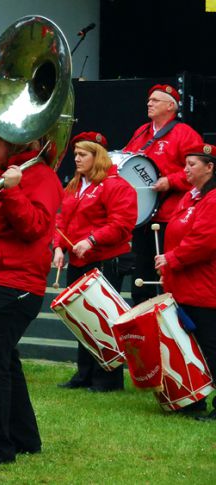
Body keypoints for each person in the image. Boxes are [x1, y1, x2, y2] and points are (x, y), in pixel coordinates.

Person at [0, 120, 63, 468]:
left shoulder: (39, 176)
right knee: (3, 361)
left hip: (11, 284)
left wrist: (13, 190)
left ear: (16, 143)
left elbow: (34, 227)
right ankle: (24, 437)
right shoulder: (9, 171)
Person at [55, 132, 137, 392]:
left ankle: (108, 379)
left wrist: (92, 239)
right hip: (79, 260)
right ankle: (84, 374)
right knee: (81, 318)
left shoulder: (116, 186)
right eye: (75, 154)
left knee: (104, 319)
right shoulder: (75, 185)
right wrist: (58, 248)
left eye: (82, 154)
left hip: (104, 259)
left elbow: (122, 223)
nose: (76, 159)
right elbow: (62, 219)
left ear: (97, 156)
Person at [124, 84, 203, 305]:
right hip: (143, 216)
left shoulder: (185, 133)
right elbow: (127, 160)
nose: (149, 103)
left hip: (169, 216)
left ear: (171, 106)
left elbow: (199, 170)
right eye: (149, 100)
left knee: (165, 275)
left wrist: (171, 181)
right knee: (141, 275)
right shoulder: (142, 131)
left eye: (155, 100)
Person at [155, 143, 216, 421]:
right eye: (185, 164)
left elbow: (204, 241)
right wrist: (167, 267)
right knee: (192, 347)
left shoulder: (212, 199)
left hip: (204, 287)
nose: (186, 170)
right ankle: (193, 399)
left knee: (210, 347)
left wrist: (172, 259)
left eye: (192, 164)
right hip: (184, 285)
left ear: (209, 167)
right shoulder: (191, 196)